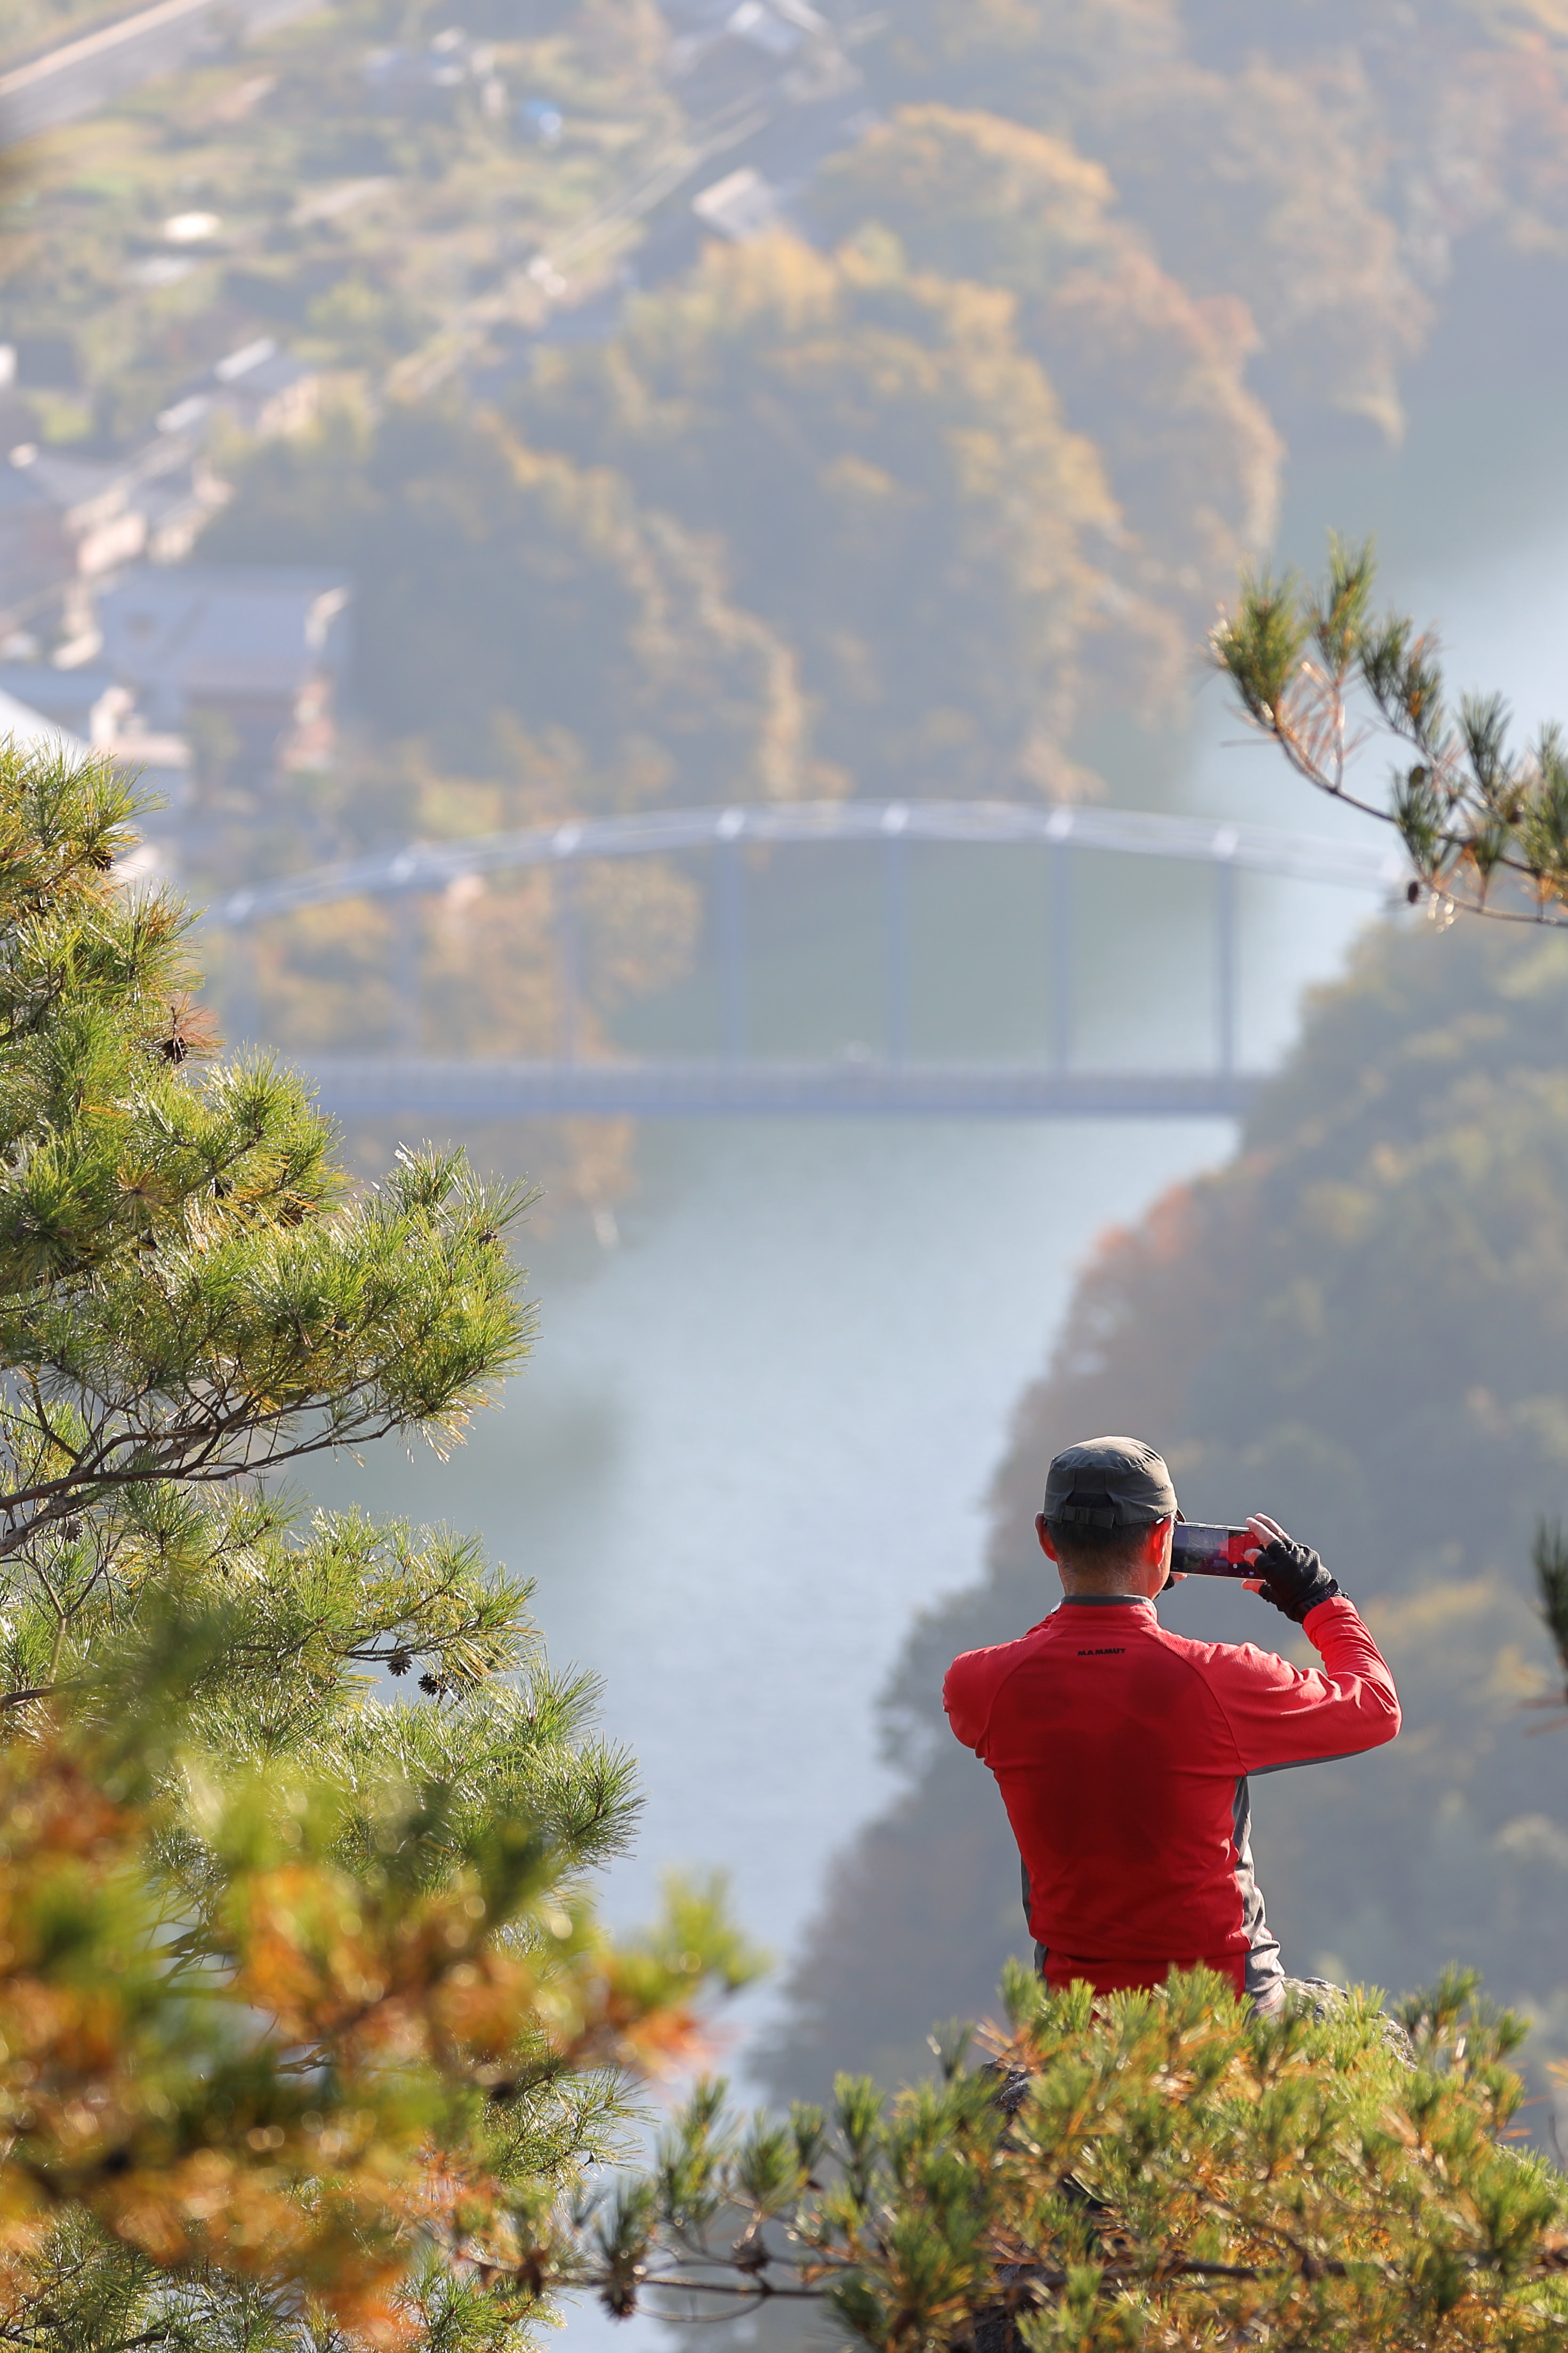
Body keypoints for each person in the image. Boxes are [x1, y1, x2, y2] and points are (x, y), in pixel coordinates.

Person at [942, 1435, 1401, 2010]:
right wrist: (1317, 1599)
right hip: (1224, 2012)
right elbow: (1375, 1705)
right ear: (1165, 1538)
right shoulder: (1221, 1679)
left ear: (1045, 1538)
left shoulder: (978, 1685)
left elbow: (1057, 1659)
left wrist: (1115, 1602)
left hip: (1079, 2019)